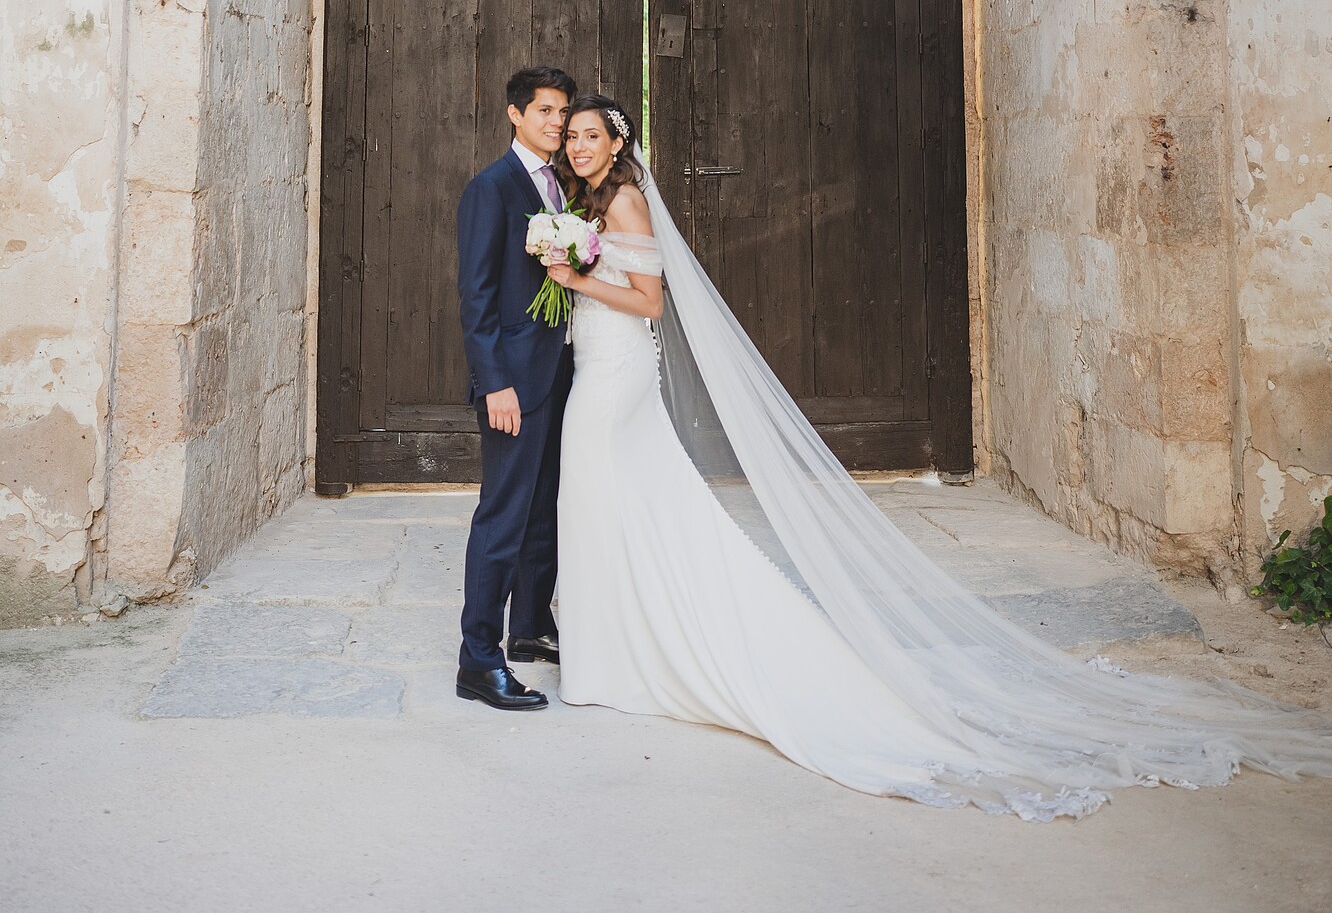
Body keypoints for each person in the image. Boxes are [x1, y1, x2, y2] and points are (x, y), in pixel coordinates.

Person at [543, 91, 1332, 818]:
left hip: (615, 378)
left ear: (619, 141)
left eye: (591, 134)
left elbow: (648, 301)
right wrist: (575, 263)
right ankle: (619, 650)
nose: (579, 145)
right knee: (624, 506)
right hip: (605, 368)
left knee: (599, 495)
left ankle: (623, 654)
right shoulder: (591, 203)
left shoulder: (628, 202)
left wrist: (573, 276)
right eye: (571, 136)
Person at [455, 64, 577, 712]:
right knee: (501, 518)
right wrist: (493, 383)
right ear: (515, 115)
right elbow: (475, 299)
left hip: (557, 376)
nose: (556, 122)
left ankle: (531, 626)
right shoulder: (492, 189)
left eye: (563, 112)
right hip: (511, 385)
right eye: (545, 112)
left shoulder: (560, 186)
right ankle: (478, 660)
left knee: (542, 511)